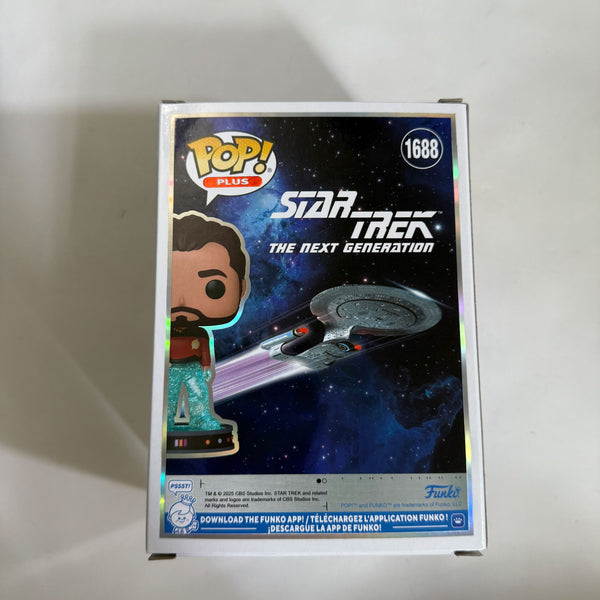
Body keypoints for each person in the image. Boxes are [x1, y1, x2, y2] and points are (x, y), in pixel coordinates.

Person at [167, 212, 249, 455]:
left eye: (214, 287)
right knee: (169, 396)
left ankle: (201, 419)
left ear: (241, 288)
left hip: (193, 367)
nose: (183, 302)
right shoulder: (164, 332)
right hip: (170, 367)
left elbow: (204, 350)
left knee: (198, 394)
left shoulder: (201, 334)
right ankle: (166, 421)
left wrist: (205, 366)